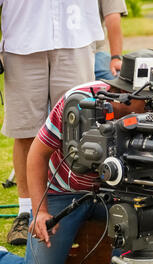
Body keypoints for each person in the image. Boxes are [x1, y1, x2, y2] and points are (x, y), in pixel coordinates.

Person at [0, 49, 153, 264]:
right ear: (125, 94)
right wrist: (40, 210)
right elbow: (37, 153)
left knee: (140, 246)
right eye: (151, 98)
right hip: (64, 192)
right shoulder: (77, 102)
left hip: (125, 195)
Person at [1, 0, 104, 246]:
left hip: (76, 35)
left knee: (77, 127)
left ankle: (73, 203)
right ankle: (26, 211)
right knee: (26, 131)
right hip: (21, 39)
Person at [95, 0, 128, 81]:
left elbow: (113, 18)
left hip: (94, 55)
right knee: (123, 84)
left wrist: (116, 58)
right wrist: (116, 58)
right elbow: (113, 18)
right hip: (94, 54)